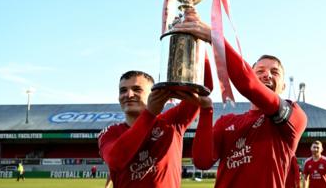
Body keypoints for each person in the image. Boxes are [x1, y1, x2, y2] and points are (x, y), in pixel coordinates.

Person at [175, 15, 307, 188]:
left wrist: (215, 38)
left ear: (283, 86)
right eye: (259, 71)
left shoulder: (294, 116)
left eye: (274, 72)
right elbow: (202, 161)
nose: (267, 74)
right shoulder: (226, 122)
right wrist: (197, 43)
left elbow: (248, 84)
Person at [98, 70, 211, 188]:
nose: (129, 94)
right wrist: (149, 114)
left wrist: (199, 52)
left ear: (152, 94)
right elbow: (116, 159)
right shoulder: (110, 133)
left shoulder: (171, 122)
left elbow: (204, 84)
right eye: (123, 90)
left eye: (137, 89)